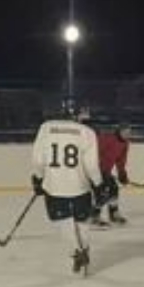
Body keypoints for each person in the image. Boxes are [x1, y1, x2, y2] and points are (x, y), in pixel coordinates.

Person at [30, 102, 103, 275]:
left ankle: (76, 251)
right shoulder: (87, 132)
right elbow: (92, 165)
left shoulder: (46, 128)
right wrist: (98, 184)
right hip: (80, 186)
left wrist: (38, 178)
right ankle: (84, 249)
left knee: (62, 220)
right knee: (82, 220)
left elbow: (38, 160)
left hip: (54, 186)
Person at [94, 123, 133, 226]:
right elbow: (94, 152)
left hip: (105, 171)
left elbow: (121, 160)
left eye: (129, 132)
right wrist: (95, 169)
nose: (127, 134)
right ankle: (94, 215)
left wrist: (122, 174)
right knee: (102, 191)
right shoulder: (107, 139)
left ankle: (113, 213)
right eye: (125, 132)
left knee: (114, 188)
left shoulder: (125, 143)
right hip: (95, 170)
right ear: (119, 131)